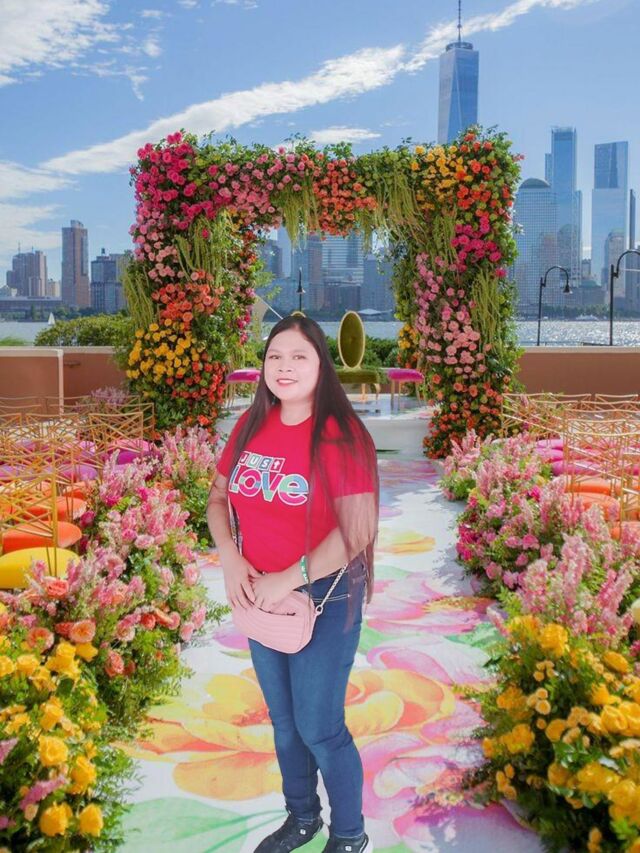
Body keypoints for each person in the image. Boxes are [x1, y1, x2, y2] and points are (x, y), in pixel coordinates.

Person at [208, 315, 379, 853]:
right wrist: (231, 559)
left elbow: (358, 530)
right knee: (284, 723)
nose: (284, 367)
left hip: (324, 597)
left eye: (299, 356)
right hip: (262, 597)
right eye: (274, 356)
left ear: (321, 365)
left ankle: (349, 836)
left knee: (320, 727)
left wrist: (289, 578)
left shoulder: (340, 433)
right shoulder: (251, 424)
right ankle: (302, 818)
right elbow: (217, 499)